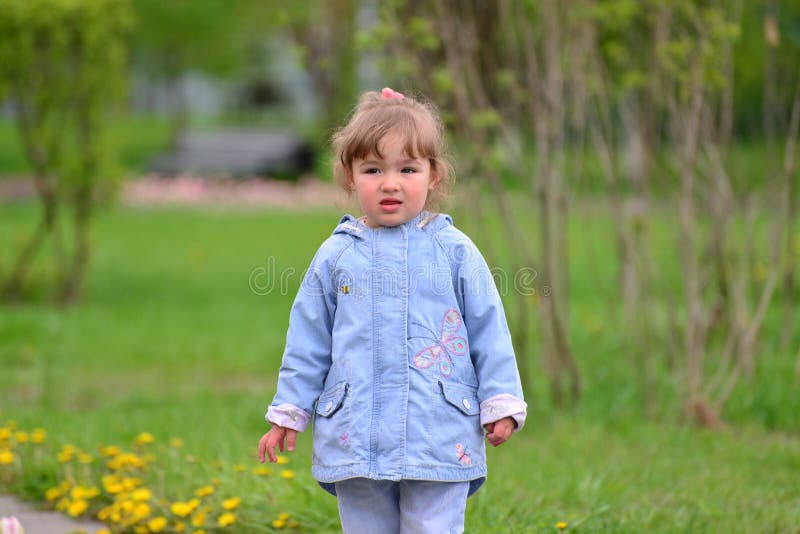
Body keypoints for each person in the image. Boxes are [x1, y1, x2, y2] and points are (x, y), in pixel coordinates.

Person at [257, 87, 527, 533]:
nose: (390, 183)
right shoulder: (336, 256)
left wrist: (499, 399)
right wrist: (289, 411)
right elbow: (308, 340)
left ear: (433, 175)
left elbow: (488, 329)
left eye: (407, 169)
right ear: (349, 176)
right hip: (355, 431)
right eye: (372, 169)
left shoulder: (453, 251)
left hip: (436, 430)